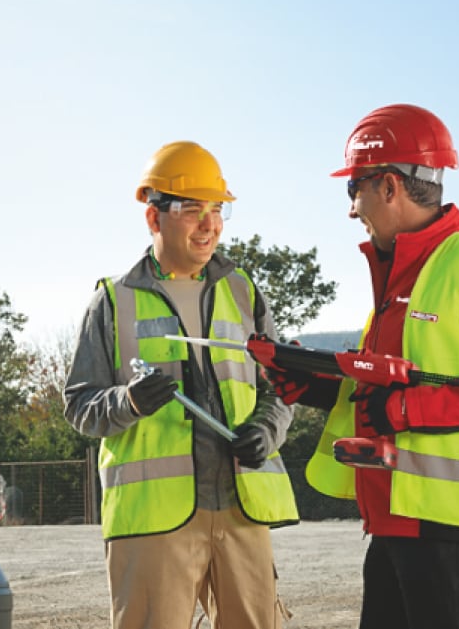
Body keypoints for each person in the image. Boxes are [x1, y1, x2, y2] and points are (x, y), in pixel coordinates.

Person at [269, 104, 459, 629]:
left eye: (354, 188)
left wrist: (404, 407)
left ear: (390, 186)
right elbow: (383, 389)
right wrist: (311, 387)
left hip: (449, 527)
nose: (352, 208)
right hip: (395, 517)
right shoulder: (400, 281)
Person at [63, 140, 299, 629]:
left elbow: (279, 389)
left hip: (242, 508)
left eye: (217, 210)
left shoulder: (243, 292)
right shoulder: (113, 300)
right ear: (154, 218)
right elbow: (80, 404)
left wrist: (267, 430)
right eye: (193, 210)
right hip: (154, 520)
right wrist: (127, 401)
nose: (209, 224)